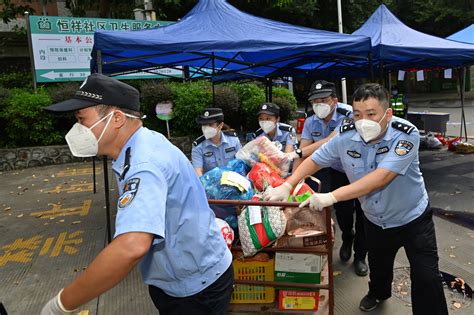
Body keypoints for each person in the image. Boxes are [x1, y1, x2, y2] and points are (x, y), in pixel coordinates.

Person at [41, 73, 234, 315]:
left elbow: (131, 247)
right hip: (180, 276)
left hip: (196, 289)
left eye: (82, 120)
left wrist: (61, 304)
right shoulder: (141, 144)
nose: (77, 129)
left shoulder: (143, 163)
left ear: (117, 118)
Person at [264, 83, 448, 314]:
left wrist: (331, 196)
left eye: (371, 114)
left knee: (427, 277)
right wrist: (289, 184)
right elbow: (317, 159)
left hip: (413, 218)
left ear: (387, 114)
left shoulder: (406, 134)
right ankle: (378, 294)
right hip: (375, 219)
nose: (364, 121)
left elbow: (381, 178)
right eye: (358, 114)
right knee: (379, 267)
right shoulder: (347, 134)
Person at [290, 80, 367, 276]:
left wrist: (297, 153)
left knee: (364, 213)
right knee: (342, 211)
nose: (319, 105)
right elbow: (305, 153)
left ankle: (360, 256)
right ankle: (348, 236)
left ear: (335, 101)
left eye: (323, 100)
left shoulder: (350, 113)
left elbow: (329, 141)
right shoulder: (310, 121)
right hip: (337, 171)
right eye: (315, 101)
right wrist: (292, 182)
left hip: (361, 170)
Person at [192, 108, 242, 176]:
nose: (206, 128)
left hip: (234, 181)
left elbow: (242, 163)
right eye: (204, 125)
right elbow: (197, 172)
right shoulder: (198, 146)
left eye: (210, 124)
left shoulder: (233, 140)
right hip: (210, 184)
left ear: (220, 125)